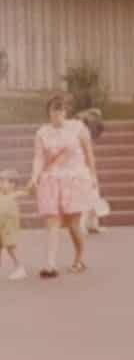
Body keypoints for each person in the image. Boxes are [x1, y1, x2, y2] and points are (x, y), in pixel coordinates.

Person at [28, 95, 99, 278]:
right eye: (54, 109)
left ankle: (79, 257)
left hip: (75, 179)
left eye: (60, 109)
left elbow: (89, 155)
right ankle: (50, 265)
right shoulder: (42, 132)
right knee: (52, 220)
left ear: (66, 112)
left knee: (73, 226)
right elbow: (38, 158)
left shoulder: (78, 128)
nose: (57, 113)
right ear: (48, 112)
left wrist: (93, 178)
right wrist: (34, 177)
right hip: (52, 180)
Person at [0, 169, 29, 281]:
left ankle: (20, 267)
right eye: (0, 181)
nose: (1, 184)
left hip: (9, 226)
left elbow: (28, 191)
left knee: (11, 248)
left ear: (13, 184)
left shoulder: (15, 195)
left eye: (4, 181)